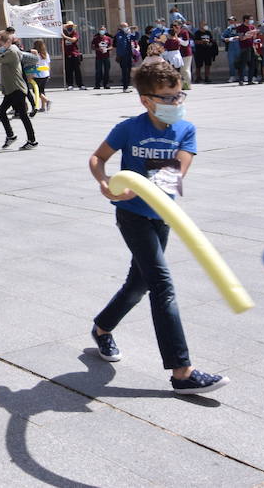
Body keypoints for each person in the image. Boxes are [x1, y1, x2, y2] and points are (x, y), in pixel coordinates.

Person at [86, 58, 226, 395]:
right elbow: (98, 157)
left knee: (139, 283)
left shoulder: (185, 130)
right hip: (132, 215)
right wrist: (105, 182)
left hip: (162, 214)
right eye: (168, 98)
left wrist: (150, 184)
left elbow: (177, 172)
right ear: (146, 100)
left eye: (180, 96)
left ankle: (102, 328)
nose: (177, 103)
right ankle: (182, 372)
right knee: (162, 284)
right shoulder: (129, 128)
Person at [0, 31, 37, 151]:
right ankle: (11, 136)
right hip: (11, 89)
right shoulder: (9, 50)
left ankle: (32, 140)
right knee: (2, 111)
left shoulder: (12, 51)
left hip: (17, 88)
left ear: (6, 41)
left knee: (23, 115)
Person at [30, 40, 53, 113]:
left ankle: (47, 101)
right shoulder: (46, 54)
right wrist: (49, 73)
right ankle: (43, 107)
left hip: (38, 74)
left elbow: (33, 64)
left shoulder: (35, 54)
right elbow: (48, 64)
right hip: (45, 74)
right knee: (42, 90)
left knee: (35, 91)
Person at [61, 22, 85, 90]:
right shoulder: (64, 33)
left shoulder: (74, 33)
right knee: (68, 70)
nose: (70, 27)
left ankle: (80, 85)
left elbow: (73, 40)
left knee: (77, 70)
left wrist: (65, 37)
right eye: (68, 26)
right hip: (67, 54)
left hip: (75, 54)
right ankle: (70, 84)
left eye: (71, 26)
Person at [220, 17, 240, 83]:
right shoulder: (228, 29)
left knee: (242, 62)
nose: (231, 22)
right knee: (231, 63)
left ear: (235, 21)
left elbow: (244, 35)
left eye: (232, 21)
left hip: (239, 47)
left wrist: (238, 37)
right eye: (230, 21)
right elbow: (222, 37)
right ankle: (232, 76)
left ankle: (243, 76)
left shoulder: (239, 28)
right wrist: (226, 39)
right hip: (231, 48)